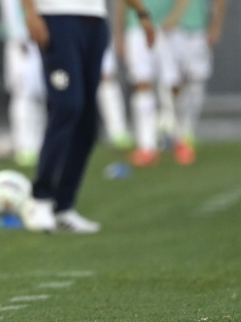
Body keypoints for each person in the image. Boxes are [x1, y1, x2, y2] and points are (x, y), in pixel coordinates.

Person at [19, 0, 155, 233]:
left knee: (87, 120)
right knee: (67, 105)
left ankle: (63, 206)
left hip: (95, 20)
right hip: (57, 16)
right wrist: (31, 12)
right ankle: (39, 199)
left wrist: (141, 12)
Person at [115, 0, 189, 167]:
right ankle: (147, 146)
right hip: (137, 27)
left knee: (173, 85)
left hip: (168, 28)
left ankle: (179, 138)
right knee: (142, 83)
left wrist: (175, 17)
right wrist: (119, 32)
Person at [168, 0, 226, 165]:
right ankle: (176, 129)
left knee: (196, 82)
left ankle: (186, 132)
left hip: (198, 30)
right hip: (175, 31)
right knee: (174, 83)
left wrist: (216, 26)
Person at [0, 0, 47, 167]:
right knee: (23, 94)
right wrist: (19, 37)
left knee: (40, 94)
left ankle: (39, 144)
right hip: (22, 40)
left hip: (36, 36)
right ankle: (25, 146)